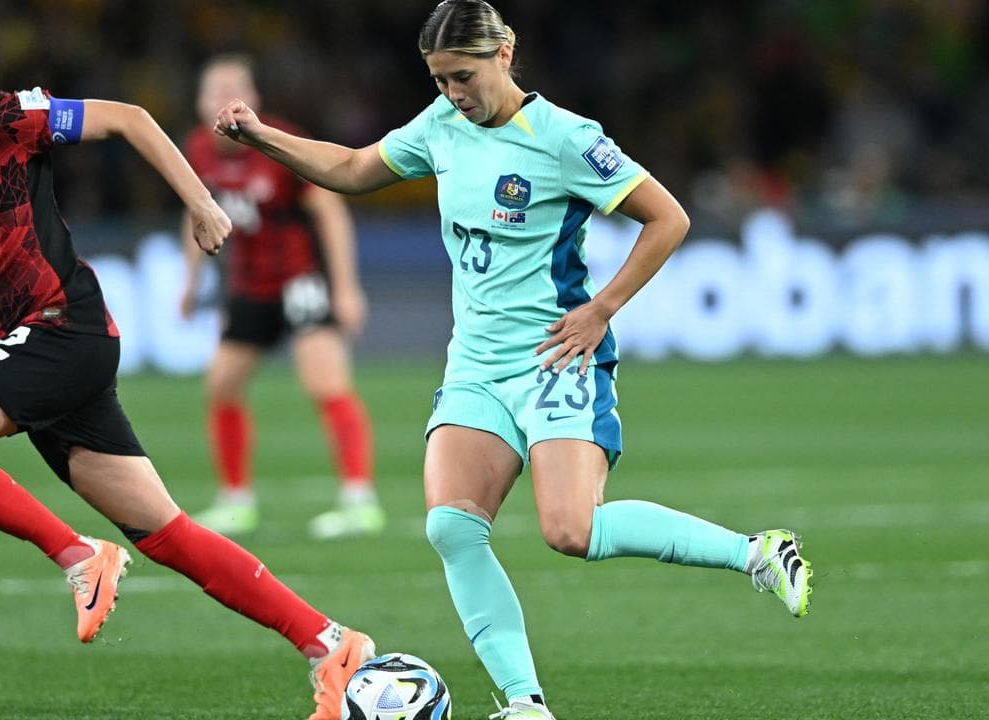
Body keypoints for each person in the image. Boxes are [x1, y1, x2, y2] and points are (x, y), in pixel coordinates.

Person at [213, 2, 813, 718]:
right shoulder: (440, 128)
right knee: (451, 526)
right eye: (438, 81)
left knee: (572, 531)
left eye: (462, 76)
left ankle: (757, 552)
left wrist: (602, 309)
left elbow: (668, 217)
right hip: (475, 364)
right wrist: (260, 137)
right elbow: (349, 168)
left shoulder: (565, 139)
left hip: (555, 359)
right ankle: (526, 705)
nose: (452, 95)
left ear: (505, 53)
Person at [0, 10, 371, 720]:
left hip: (63, 328)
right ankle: (330, 643)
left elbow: (133, 119)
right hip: (42, 353)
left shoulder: (12, 117)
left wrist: (202, 203)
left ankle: (80, 556)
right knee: (169, 534)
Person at [180, 55, 383, 540]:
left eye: (236, 88)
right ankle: (236, 502)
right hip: (249, 285)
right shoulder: (197, 150)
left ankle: (360, 501)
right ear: (200, 102)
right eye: (216, 89)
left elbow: (330, 212)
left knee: (326, 383)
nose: (226, 98)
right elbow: (196, 214)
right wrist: (190, 283)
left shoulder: (279, 141)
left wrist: (347, 288)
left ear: (254, 98)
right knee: (221, 385)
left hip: (300, 281)